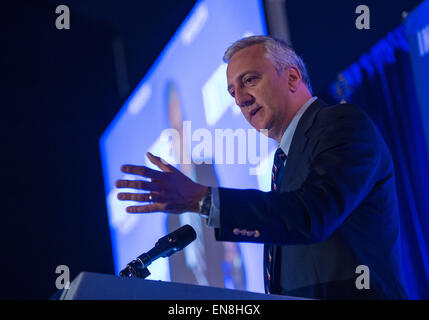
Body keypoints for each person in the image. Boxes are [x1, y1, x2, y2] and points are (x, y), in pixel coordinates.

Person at [116, 36, 408, 299]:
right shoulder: (284, 161)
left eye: (250, 80)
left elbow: (312, 214)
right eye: (232, 92)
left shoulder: (341, 123)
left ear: (292, 77)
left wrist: (202, 199)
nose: (241, 100)